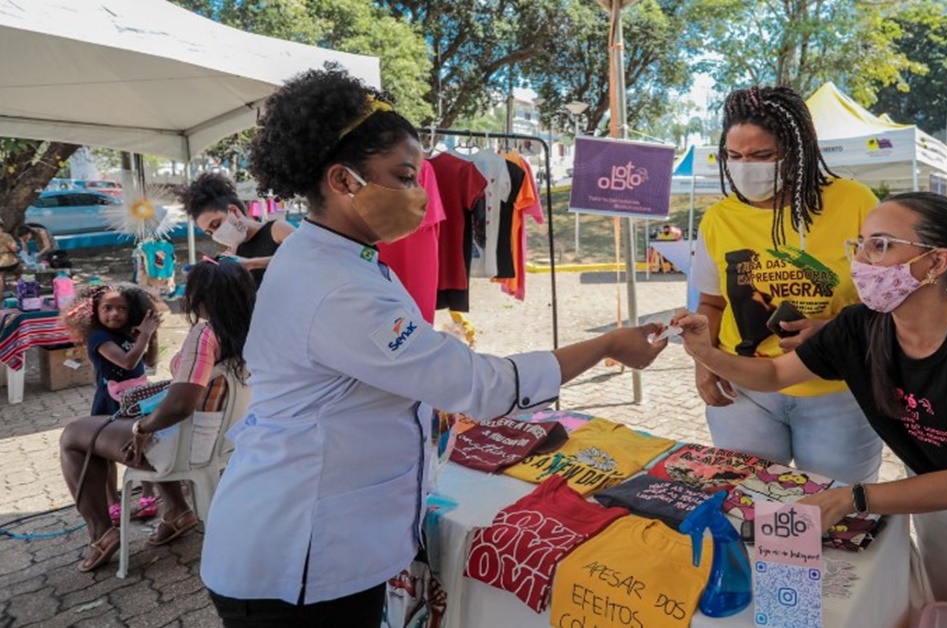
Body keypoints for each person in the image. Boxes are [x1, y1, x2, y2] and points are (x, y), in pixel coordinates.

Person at [198, 66, 667, 626]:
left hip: (318, 540)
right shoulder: (337, 285)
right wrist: (608, 343)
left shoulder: (340, 256)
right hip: (296, 558)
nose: (421, 195)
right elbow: (480, 386)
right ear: (344, 181)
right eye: (404, 176)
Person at [677, 192, 947, 626]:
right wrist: (706, 353)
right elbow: (774, 376)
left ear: (935, 261)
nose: (862, 262)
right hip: (939, 499)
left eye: (881, 246)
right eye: (860, 245)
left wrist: (852, 498)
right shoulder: (860, 327)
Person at [689, 85, 882, 484]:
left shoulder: (856, 202)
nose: (746, 167)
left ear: (798, 151)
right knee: (749, 501)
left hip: (838, 392)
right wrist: (705, 364)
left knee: (840, 509)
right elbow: (710, 304)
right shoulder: (718, 219)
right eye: (734, 156)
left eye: (762, 156)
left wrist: (836, 331)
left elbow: (892, 301)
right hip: (744, 392)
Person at [59, 260, 256, 572]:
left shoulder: (205, 334)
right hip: (222, 441)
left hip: (186, 446)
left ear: (203, 298)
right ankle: (178, 511)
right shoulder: (253, 331)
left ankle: (101, 532)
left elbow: (180, 404)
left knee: (73, 435)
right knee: (131, 421)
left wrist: (141, 428)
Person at [60, 283, 163, 528]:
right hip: (111, 401)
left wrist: (152, 335)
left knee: (141, 445)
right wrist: (145, 335)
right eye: (107, 308)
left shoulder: (129, 332)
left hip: (138, 398)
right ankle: (113, 502)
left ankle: (148, 497)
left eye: (122, 309)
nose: (114, 314)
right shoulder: (98, 337)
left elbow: (150, 361)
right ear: (95, 311)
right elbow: (127, 362)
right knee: (104, 454)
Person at [176, 171, 295, 287]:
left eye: (216, 224)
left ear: (234, 211)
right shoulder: (233, 252)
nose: (216, 234)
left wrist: (251, 263)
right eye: (210, 233)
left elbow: (307, 257)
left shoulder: (277, 230)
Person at [0, 225, 19, 294]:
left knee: (2, 276)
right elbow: (14, 249)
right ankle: (20, 290)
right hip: (7, 261)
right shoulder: (6, 236)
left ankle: (2, 294)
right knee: (19, 271)